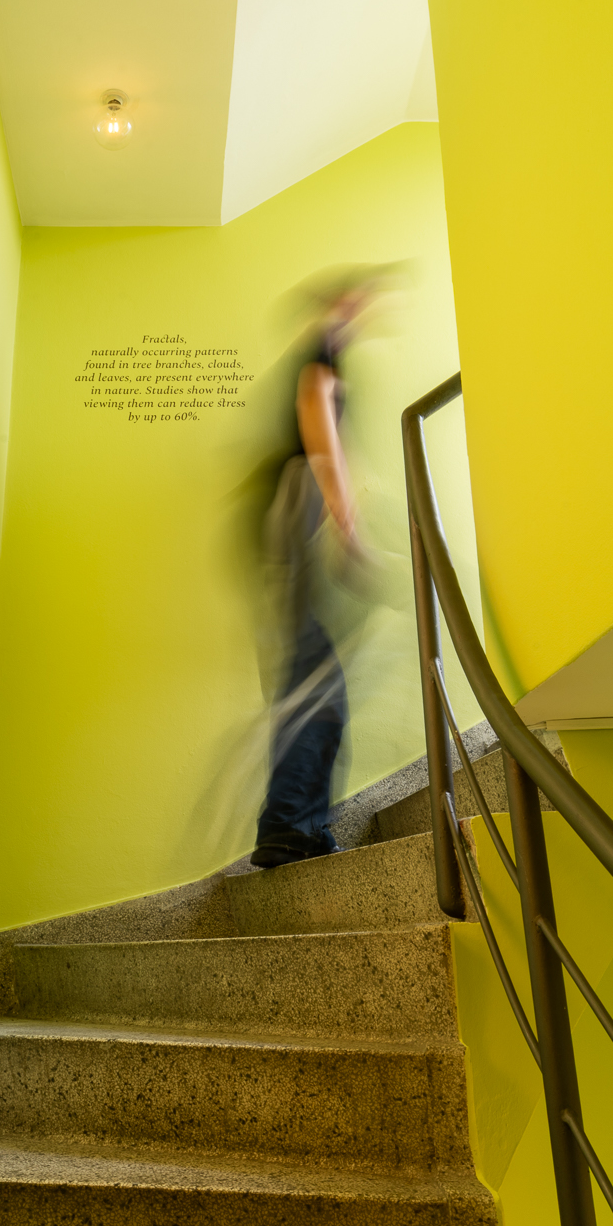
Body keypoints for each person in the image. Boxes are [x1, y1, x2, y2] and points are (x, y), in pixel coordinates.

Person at [250, 277, 375, 869]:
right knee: (315, 687)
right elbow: (319, 430)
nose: (363, 311)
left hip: (291, 521)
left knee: (317, 686)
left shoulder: (324, 352)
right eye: (357, 300)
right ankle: (289, 825)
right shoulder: (321, 353)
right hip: (299, 514)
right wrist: (350, 528)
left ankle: (303, 824)